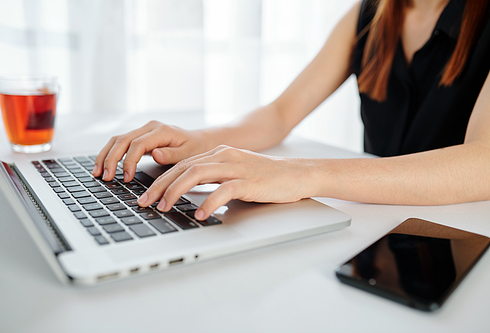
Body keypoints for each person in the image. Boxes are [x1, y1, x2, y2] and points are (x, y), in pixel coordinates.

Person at [92, 0, 490, 221]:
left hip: (459, 230)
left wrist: (302, 174)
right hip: (377, 223)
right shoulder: (370, 13)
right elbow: (281, 113)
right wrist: (203, 140)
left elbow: (483, 161)